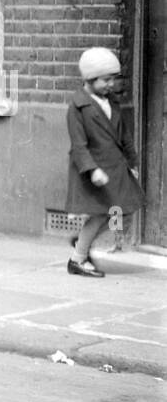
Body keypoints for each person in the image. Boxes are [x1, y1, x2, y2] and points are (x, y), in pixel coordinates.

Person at [65, 47, 144, 278]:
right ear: (89, 79)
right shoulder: (78, 107)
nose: (111, 84)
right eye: (105, 80)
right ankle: (77, 260)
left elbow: (124, 136)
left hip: (115, 168)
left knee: (121, 211)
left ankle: (83, 242)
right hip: (95, 170)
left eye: (113, 79)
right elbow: (78, 145)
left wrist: (133, 162)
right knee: (102, 213)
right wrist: (92, 170)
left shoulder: (112, 102)